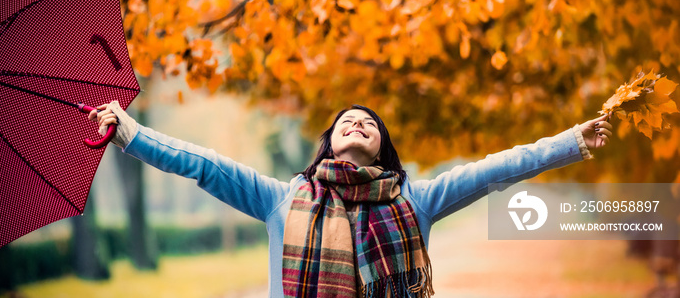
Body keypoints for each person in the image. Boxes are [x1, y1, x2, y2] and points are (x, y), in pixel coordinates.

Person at [89, 101, 612, 298]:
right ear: (330, 142)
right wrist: (132, 133)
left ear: (382, 144)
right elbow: (204, 164)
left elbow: (495, 169)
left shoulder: (417, 199)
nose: (357, 123)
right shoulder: (283, 200)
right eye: (346, 121)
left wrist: (569, 142)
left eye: (369, 122)